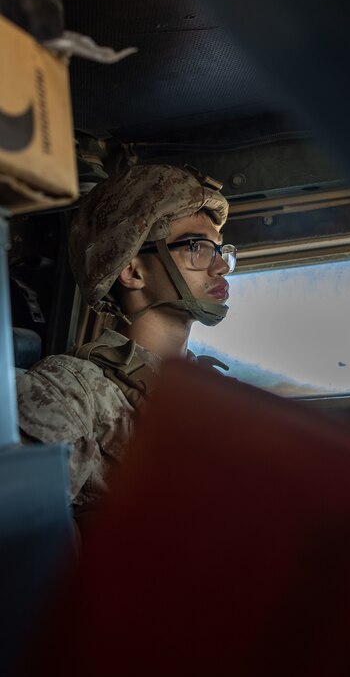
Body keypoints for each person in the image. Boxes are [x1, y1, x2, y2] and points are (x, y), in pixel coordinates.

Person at [16, 163, 235, 528]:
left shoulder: (212, 390)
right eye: (197, 247)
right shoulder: (70, 391)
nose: (222, 267)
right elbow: (22, 540)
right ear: (133, 272)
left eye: (220, 249)